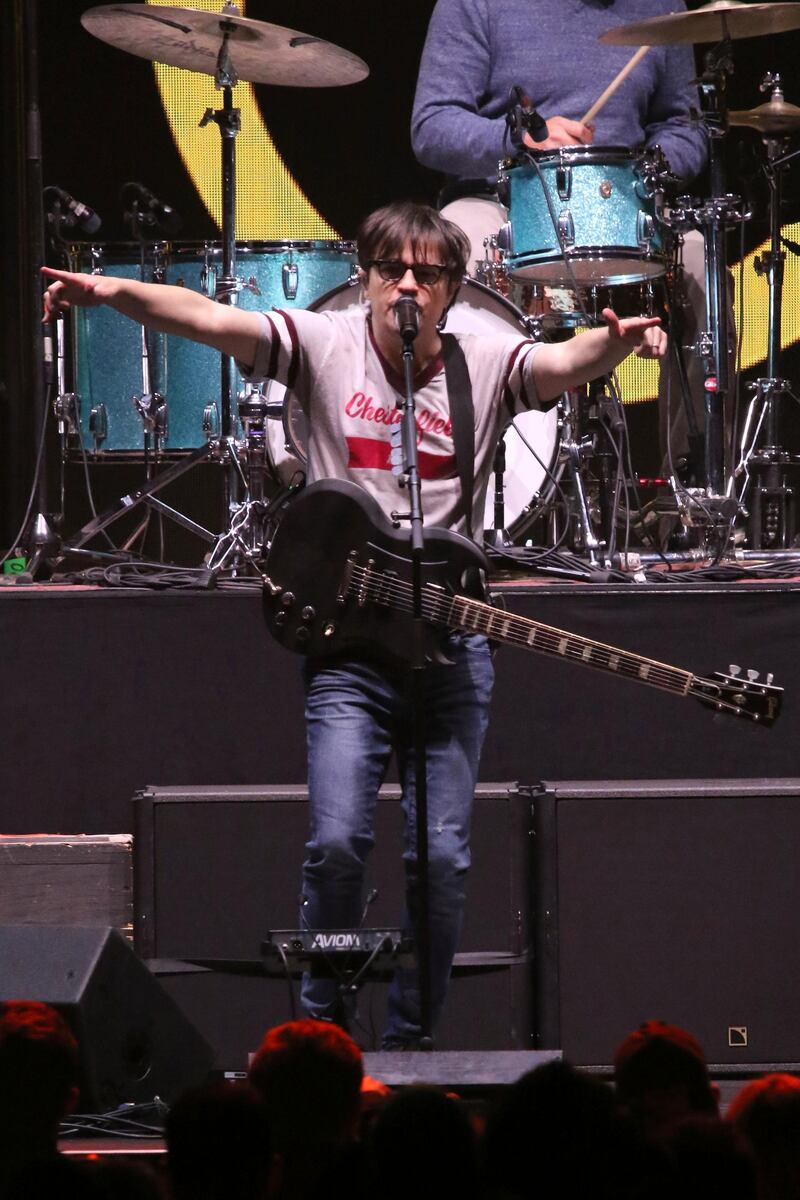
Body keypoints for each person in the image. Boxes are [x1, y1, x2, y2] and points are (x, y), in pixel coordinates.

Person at [43, 200, 665, 1048]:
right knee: (338, 843)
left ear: (453, 289)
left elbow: (561, 364)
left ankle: (410, 1040)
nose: (406, 286)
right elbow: (207, 316)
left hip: (452, 642)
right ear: (367, 275)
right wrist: (110, 290)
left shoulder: (483, 362)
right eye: (390, 269)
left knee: (439, 863)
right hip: (349, 650)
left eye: (428, 273)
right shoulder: (324, 344)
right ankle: (323, 1035)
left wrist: (617, 342)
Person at [412, 0, 713, 479]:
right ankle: (467, 484)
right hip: (503, 201)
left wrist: (642, 169)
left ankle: (689, 494)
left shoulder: (662, 7)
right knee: (459, 246)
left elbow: (687, 126)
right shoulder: (475, 4)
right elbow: (431, 127)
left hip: (621, 205)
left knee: (702, 262)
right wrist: (519, 139)